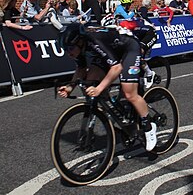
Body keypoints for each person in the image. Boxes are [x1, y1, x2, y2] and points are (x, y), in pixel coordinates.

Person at [57, 23, 157, 151]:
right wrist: (70, 87)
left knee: (129, 93)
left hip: (128, 49)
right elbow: (81, 69)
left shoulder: (94, 40)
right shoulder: (80, 47)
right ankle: (117, 113)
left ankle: (148, 127)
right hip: (109, 54)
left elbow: (116, 68)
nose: (68, 53)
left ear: (80, 41)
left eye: (70, 48)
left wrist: (99, 89)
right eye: (65, 49)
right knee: (89, 81)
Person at [112, 0, 157, 88]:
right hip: (136, 33)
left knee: (138, 52)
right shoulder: (120, 11)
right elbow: (128, 17)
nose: (129, 6)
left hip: (149, 33)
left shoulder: (123, 24)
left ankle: (149, 73)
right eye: (129, 5)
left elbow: (128, 18)